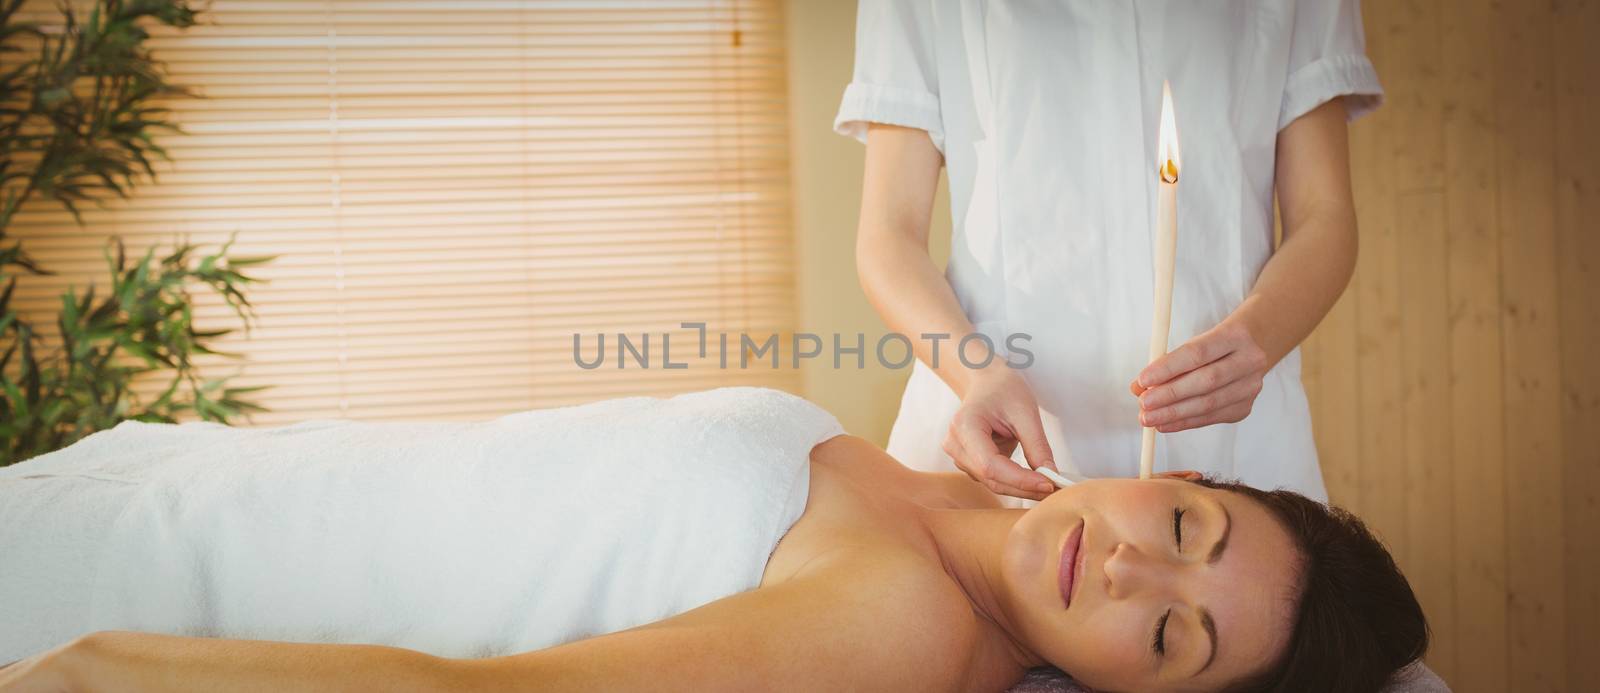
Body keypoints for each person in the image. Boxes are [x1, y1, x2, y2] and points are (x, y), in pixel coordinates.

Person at [0, 388, 1426, 692]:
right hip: (212, 492)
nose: (1126, 567)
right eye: (1181, 525)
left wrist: (115, 676)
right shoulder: (944, 486)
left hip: (173, 612)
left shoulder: (907, 633)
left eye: (1175, 635)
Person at [843, 0, 1383, 504]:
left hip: (1231, 431)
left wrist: (1259, 339)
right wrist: (974, 374)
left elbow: (1325, 216)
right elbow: (889, 235)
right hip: (1000, 427)